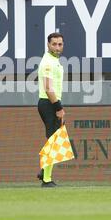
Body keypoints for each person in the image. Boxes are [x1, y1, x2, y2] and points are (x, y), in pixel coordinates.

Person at [37, 32, 65, 188]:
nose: (57, 47)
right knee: (54, 142)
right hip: (49, 103)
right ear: (48, 45)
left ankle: (43, 171)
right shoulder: (48, 62)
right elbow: (48, 88)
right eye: (54, 44)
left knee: (53, 141)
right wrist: (59, 108)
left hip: (50, 102)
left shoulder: (54, 61)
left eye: (60, 44)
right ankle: (46, 180)